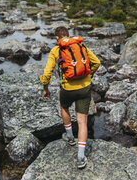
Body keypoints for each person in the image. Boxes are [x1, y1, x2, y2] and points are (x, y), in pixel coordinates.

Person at [39, 26, 100, 169]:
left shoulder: (56, 50)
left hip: (68, 88)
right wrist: (89, 76)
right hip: (85, 88)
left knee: (64, 106)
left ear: (57, 38)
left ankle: (70, 137)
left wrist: (45, 88)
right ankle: (80, 157)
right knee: (82, 122)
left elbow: (47, 73)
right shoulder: (80, 45)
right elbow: (96, 62)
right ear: (68, 35)